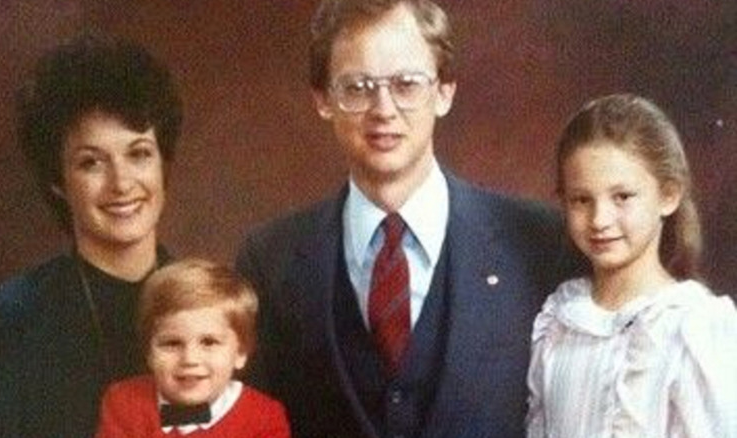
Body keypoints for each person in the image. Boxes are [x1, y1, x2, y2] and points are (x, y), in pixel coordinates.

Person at [236, 1, 580, 437]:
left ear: (445, 91)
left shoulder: (541, 243)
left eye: (406, 84)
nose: (383, 109)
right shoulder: (269, 260)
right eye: (357, 87)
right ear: (323, 99)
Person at [0, 34, 182, 438]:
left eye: (138, 154)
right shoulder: (7, 322)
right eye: (91, 162)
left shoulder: (216, 306)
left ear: (162, 165)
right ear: (57, 182)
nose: (121, 183)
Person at [526, 94, 737, 437]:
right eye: (582, 200)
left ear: (668, 195)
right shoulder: (560, 319)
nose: (599, 219)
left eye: (622, 197)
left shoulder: (691, 325)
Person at [95, 258, 291, 438]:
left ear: (241, 352)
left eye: (209, 342)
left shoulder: (263, 417)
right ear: (149, 352)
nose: (190, 359)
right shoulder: (124, 402)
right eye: (172, 343)